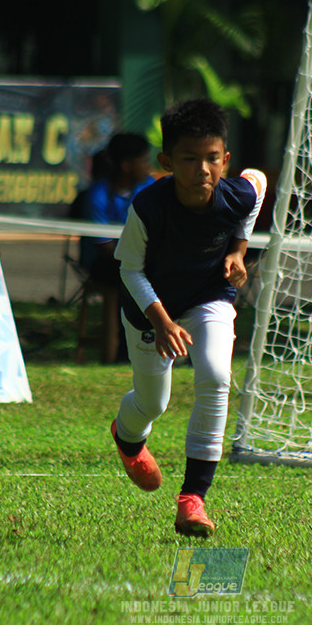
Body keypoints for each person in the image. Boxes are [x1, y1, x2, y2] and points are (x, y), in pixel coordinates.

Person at [109, 99, 266, 537]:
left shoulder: (237, 192)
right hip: (150, 310)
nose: (203, 169)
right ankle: (127, 439)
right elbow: (130, 269)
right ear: (166, 162)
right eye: (190, 158)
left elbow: (258, 184)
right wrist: (161, 321)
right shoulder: (149, 206)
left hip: (207, 296)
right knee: (152, 403)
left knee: (216, 375)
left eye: (213, 158)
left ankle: (192, 499)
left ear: (225, 159)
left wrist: (237, 250)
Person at [79, 133, 155, 288]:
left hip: (142, 258)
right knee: (114, 275)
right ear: (126, 165)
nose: (148, 166)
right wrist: (138, 264)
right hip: (106, 261)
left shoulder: (151, 187)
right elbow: (105, 247)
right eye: (144, 160)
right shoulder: (97, 195)